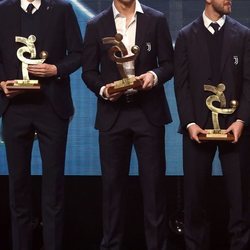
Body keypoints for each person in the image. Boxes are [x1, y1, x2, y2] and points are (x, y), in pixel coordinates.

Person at [82, 0, 174, 249]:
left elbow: (169, 64)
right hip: (113, 114)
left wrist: (153, 77)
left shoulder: (156, 19)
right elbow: (88, 71)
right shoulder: (96, 24)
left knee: (154, 187)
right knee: (112, 189)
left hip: (149, 114)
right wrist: (103, 89)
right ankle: (111, 245)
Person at [0, 0, 82, 249]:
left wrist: (56, 69)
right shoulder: (2, 10)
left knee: (53, 187)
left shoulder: (63, 9)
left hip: (52, 107)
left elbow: (78, 53)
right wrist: (2, 82)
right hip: (14, 108)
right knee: (18, 186)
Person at [174, 0, 250, 249]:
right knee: (194, 199)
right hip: (198, 130)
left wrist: (241, 120)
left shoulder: (243, 34)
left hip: (235, 129)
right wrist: (190, 123)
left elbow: (249, 82)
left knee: (240, 199)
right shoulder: (185, 35)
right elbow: (181, 85)